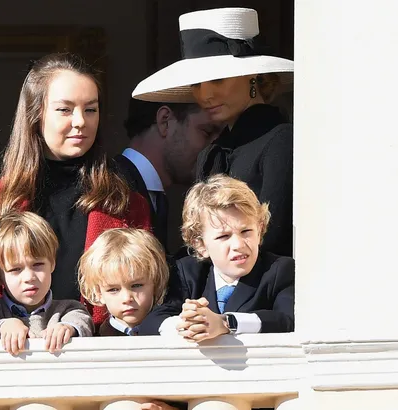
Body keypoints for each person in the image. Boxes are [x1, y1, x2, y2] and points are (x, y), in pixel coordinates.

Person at [0, 52, 151, 326]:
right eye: (65, 110)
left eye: (90, 109)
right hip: (17, 355)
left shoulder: (124, 201)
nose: (80, 121)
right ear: (36, 114)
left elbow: (150, 286)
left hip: (103, 355)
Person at [132, 7, 294, 257]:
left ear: (252, 75)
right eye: (196, 84)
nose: (205, 95)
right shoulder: (211, 153)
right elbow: (199, 239)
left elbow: (273, 237)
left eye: (217, 80)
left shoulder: (280, 140)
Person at [163, 175, 295, 342]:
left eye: (246, 231)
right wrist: (189, 323)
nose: (238, 244)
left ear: (260, 229)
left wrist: (225, 322)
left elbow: (287, 320)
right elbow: (152, 320)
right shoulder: (187, 272)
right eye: (224, 236)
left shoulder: (279, 270)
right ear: (200, 245)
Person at [0, 212, 94, 355]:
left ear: (52, 263)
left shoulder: (67, 310)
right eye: (16, 269)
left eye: (37, 264)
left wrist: (66, 328)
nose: (29, 277)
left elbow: (82, 320)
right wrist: (3, 326)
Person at [117, 99, 221, 249]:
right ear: (165, 121)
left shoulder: (153, 195)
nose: (213, 148)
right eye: (207, 132)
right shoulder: (112, 190)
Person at [77, 228, 169, 336]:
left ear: (156, 283)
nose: (127, 299)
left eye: (136, 285)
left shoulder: (171, 330)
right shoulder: (95, 340)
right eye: (113, 289)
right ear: (99, 293)